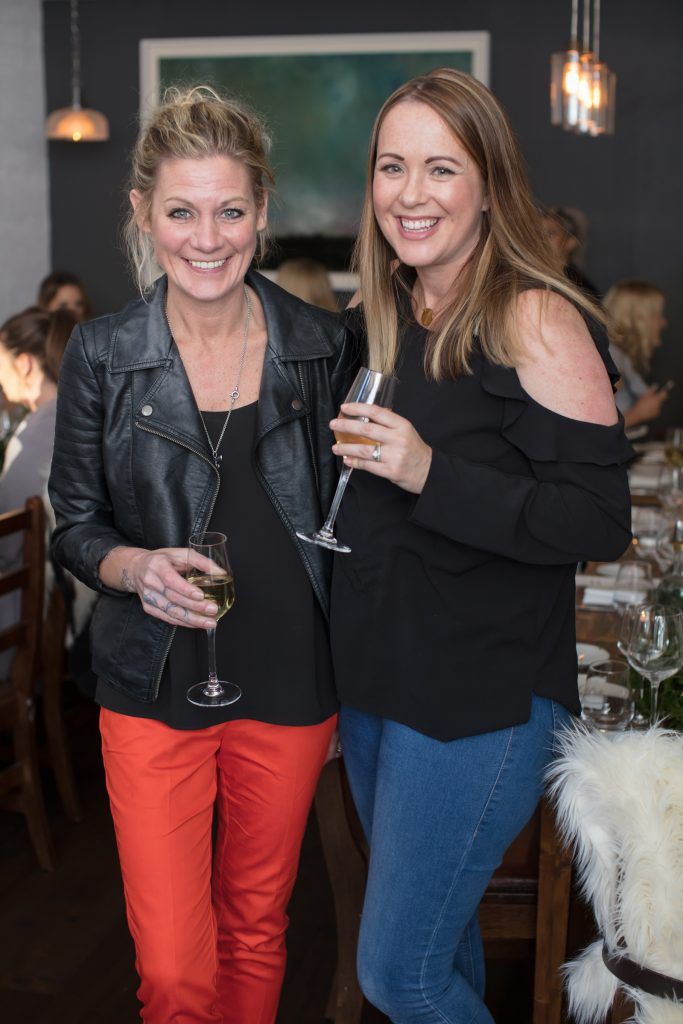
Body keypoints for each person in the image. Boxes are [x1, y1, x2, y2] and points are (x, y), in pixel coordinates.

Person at [329, 68, 632, 1024]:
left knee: (399, 976)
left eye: (439, 169)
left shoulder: (532, 315)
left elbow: (595, 519)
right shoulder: (388, 318)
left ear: (489, 184)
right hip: (380, 688)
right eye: (390, 167)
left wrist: (429, 473)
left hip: (476, 703)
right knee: (441, 951)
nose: (409, 194)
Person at [48, 85, 353, 1024]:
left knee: (258, 924)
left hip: (292, 679)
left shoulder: (322, 346)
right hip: (154, 683)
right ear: (144, 212)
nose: (207, 238)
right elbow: (73, 522)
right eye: (181, 212)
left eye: (229, 211)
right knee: (177, 971)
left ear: (262, 212)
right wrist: (134, 569)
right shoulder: (102, 353)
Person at [0, 306, 76, 674]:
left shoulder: (33, 437)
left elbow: (8, 548)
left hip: (34, 612)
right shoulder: (75, 412)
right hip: (73, 597)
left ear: (25, 364)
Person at [603, 279, 670, 428]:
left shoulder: (619, 357)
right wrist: (638, 414)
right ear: (638, 319)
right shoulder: (611, 360)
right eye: (657, 315)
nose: (663, 322)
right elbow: (595, 432)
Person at [540, 204, 600, 299]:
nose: (541, 239)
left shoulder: (580, 288)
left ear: (570, 242)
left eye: (550, 234)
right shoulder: (529, 277)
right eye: (536, 233)